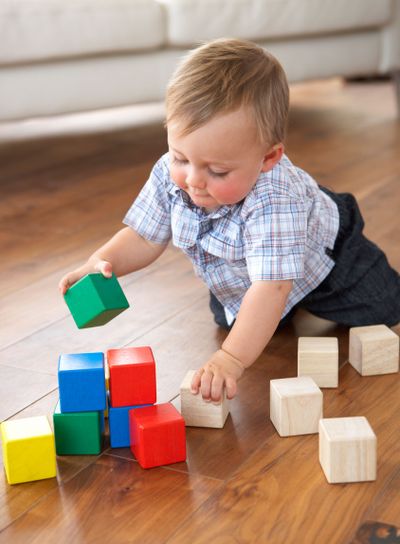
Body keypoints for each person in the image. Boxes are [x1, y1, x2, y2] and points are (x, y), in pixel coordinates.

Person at [59, 38, 400, 405]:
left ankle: (305, 301)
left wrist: (231, 359)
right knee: (235, 321)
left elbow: (271, 288)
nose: (193, 180)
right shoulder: (171, 173)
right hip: (242, 273)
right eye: (180, 157)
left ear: (268, 157)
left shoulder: (275, 199)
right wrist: (99, 264)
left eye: (217, 170)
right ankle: (274, 313)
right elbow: (143, 236)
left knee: (384, 305)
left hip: (329, 260)